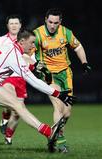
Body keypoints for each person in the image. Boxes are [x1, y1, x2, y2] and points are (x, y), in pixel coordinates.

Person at [33, 8, 91, 152]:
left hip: (65, 74)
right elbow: (28, 53)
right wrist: (35, 66)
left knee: (67, 112)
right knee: (58, 106)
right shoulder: (37, 34)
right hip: (48, 76)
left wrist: (84, 63)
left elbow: (78, 47)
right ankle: (62, 142)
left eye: (55, 23)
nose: (52, 25)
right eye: (50, 22)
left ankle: (53, 134)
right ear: (45, 20)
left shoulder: (65, 32)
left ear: (60, 22)